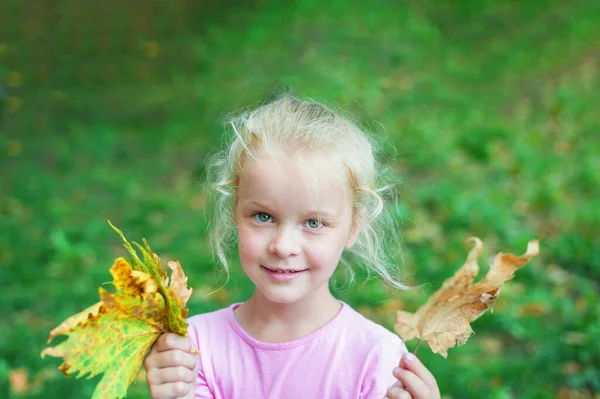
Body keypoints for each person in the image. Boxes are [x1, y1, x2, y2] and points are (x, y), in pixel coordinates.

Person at [144, 95, 440, 399]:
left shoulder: (376, 359)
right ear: (236, 213)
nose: (283, 246)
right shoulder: (193, 349)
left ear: (353, 228)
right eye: (263, 217)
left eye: (313, 223)